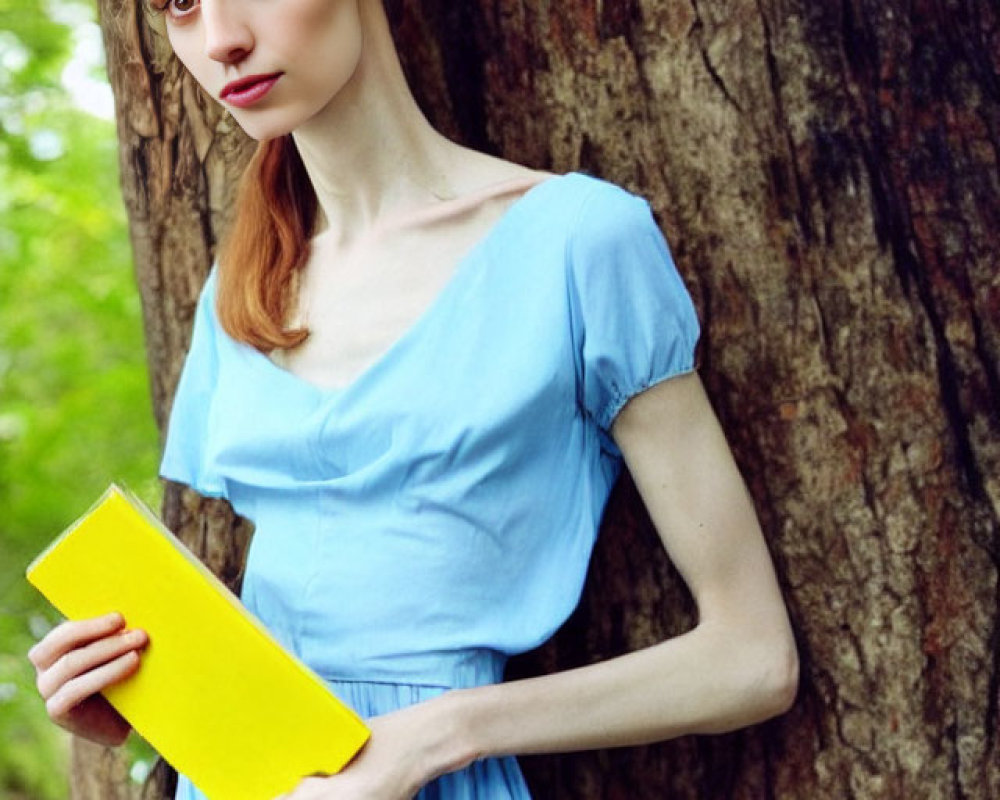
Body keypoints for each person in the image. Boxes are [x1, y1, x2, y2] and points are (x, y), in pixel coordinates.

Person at [27, 1, 799, 798]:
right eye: (179, 2)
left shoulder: (578, 242)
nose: (221, 39)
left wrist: (438, 736)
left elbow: (751, 659)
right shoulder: (242, 290)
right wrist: (152, 700)